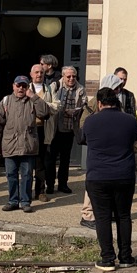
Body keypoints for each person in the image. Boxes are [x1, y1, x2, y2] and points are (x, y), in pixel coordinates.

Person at [82, 86, 137, 271]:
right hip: (124, 175)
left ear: (99, 103)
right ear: (117, 102)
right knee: (124, 216)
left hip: (98, 176)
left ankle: (107, 258)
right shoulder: (130, 120)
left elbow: (83, 139)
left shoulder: (90, 122)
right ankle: (126, 256)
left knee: (103, 218)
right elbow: (134, 139)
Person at [0, 74, 53, 212]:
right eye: (18, 85)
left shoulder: (33, 101)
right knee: (11, 175)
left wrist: (34, 96)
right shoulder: (6, 101)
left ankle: (25, 201)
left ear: (27, 87)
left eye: (24, 86)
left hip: (28, 145)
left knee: (26, 175)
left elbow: (45, 112)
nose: (21, 88)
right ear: (13, 86)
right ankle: (13, 201)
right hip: (10, 144)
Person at [78, 73, 125, 230]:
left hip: (111, 148)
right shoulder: (94, 103)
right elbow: (84, 124)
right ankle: (87, 214)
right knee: (93, 183)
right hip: (97, 149)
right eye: (117, 87)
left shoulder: (117, 103)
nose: (120, 90)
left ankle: (105, 212)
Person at [46, 66, 85, 195]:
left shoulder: (80, 89)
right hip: (55, 128)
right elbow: (48, 103)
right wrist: (60, 109)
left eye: (74, 76)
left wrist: (76, 111)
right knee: (51, 158)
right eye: (68, 76)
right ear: (63, 76)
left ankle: (63, 184)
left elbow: (84, 106)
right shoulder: (54, 86)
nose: (71, 79)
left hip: (69, 129)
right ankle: (50, 184)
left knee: (65, 159)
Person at [29, 63, 56, 201]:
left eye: (41, 72)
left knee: (41, 162)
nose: (39, 75)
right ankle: (26, 191)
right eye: (36, 72)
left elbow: (56, 106)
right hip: (29, 130)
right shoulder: (26, 88)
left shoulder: (49, 90)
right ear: (31, 74)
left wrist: (43, 108)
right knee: (27, 162)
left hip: (44, 129)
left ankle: (40, 191)